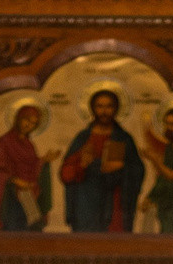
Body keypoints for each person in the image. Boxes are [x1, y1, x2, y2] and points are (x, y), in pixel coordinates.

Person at [60, 89, 146, 232]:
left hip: (114, 200)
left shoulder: (123, 138)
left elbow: (138, 169)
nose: (104, 111)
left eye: (109, 106)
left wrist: (122, 166)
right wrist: (81, 165)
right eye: (99, 106)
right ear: (93, 108)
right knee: (86, 242)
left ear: (116, 109)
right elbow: (65, 173)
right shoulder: (83, 138)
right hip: (86, 199)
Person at [0, 103, 54, 231]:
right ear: (18, 118)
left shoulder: (29, 145)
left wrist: (44, 161)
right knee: (13, 229)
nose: (28, 125)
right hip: (9, 197)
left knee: (34, 227)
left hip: (28, 194)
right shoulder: (2, 143)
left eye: (33, 123)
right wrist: (16, 181)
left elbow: (32, 167)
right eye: (26, 119)